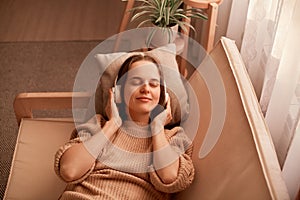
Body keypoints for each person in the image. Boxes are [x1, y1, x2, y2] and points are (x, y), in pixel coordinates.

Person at [54, 54, 195, 199]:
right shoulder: (99, 126)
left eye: (153, 84)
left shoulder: (172, 137)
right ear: (118, 92)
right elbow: (69, 170)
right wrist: (113, 124)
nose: (146, 89)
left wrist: (157, 128)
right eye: (136, 82)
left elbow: (169, 177)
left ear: (163, 96)